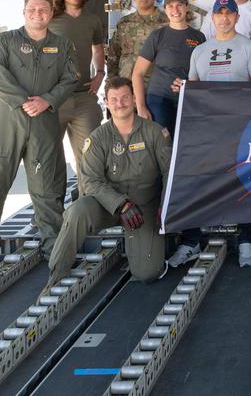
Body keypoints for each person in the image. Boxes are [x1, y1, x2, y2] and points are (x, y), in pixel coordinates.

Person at [0, 0, 78, 259]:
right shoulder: (5, 42)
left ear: (51, 14)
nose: (37, 14)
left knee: (48, 188)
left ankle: (54, 249)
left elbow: (69, 79)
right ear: (23, 12)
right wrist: (23, 102)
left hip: (44, 121)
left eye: (43, 10)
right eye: (32, 9)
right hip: (7, 121)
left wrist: (47, 101)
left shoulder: (63, 45)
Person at [168, 0, 251, 269]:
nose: (224, 18)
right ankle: (191, 240)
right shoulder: (199, 51)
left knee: (245, 181)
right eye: (219, 13)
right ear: (212, 18)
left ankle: (246, 239)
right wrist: (183, 88)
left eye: (229, 13)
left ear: (237, 18)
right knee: (199, 181)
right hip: (208, 131)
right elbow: (195, 90)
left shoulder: (249, 48)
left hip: (241, 128)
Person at [47, 77, 172, 284]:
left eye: (124, 98)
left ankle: (147, 252)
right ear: (106, 102)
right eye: (113, 99)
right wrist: (121, 204)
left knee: (147, 273)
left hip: (144, 207)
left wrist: (165, 205)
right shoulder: (97, 138)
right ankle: (56, 274)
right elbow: (91, 181)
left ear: (133, 99)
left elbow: (169, 172)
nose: (119, 103)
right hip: (109, 205)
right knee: (77, 211)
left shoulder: (155, 132)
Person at [49, 0, 107, 185]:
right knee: (50, 158)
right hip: (54, 98)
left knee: (90, 157)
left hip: (84, 96)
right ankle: (51, 213)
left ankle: (87, 208)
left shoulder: (92, 19)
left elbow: (98, 49)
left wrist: (100, 74)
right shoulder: (51, 17)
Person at [131, 0, 204, 132]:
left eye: (180, 5)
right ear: (165, 9)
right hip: (159, 99)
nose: (175, 10)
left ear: (186, 7)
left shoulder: (199, 37)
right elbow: (138, 73)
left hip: (187, 100)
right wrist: (141, 107)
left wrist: (189, 86)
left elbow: (203, 74)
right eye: (170, 6)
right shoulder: (157, 36)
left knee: (185, 144)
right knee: (162, 144)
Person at [105, 0, 168, 82]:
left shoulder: (167, 23)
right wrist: (111, 81)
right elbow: (114, 54)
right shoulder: (124, 23)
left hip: (157, 85)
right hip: (127, 83)